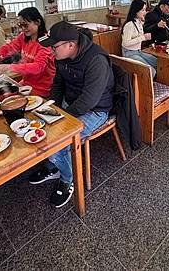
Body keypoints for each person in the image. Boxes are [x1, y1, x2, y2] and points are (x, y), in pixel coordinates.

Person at [30, 22, 115, 208]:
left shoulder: (96, 60)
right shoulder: (62, 56)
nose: (52, 51)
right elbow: (58, 84)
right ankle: (54, 167)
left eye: (54, 47)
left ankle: (68, 180)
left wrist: (62, 118)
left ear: (70, 44)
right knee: (41, 124)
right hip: (73, 103)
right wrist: (51, 108)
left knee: (61, 139)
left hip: (96, 110)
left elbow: (88, 101)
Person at [0, 7, 55, 97]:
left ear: (38, 22)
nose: (23, 29)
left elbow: (38, 67)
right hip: (26, 84)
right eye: (20, 26)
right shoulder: (23, 37)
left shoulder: (45, 42)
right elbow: (10, 46)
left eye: (25, 25)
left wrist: (9, 67)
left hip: (42, 89)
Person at [121, 0, 157, 76]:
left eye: (145, 10)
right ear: (136, 10)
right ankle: (148, 87)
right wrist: (143, 37)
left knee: (159, 64)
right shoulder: (129, 24)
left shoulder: (139, 22)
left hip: (138, 51)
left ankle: (153, 84)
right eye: (143, 10)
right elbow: (125, 43)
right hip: (129, 53)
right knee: (151, 72)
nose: (145, 12)